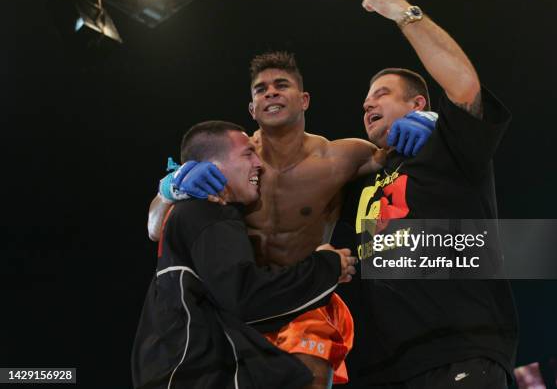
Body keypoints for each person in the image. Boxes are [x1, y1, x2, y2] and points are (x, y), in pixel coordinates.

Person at [147, 54, 437, 387]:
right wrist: (170, 187)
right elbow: (156, 229)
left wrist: (429, 119)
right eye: (260, 89)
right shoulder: (230, 163)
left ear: (304, 100)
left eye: (281, 85)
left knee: (307, 379)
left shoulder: (339, 158)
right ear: (252, 109)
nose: (270, 92)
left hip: (304, 299)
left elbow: (397, 145)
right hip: (240, 306)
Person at [336, 0, 518, 388]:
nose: (367, 104)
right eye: (366, 99)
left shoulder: (449, 147)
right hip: (384, 369)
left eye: (381, 94)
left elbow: (465, 87)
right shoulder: (364, 180)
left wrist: (403, 12)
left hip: (460, 352)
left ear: (418, 104)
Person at [131, 120, 358, 389]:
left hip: (183, 361)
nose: (258, 162)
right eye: (248, 153)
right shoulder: (208, 211)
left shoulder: (188, 210)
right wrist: (327, 266)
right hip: (199, 367)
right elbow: (245, 296)